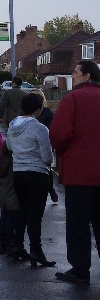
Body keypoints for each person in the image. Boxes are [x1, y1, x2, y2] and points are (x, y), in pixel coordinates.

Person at [50, 60, 100, 285]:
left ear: (87, 76)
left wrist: (61, 153)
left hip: (80, 173)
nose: (73, 76)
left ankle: (80, 270)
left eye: (76, 73)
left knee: (78, 224)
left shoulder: (73, 99)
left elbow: (59, 133)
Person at [7, 92, 56, 267]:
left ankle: (16, 246)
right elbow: (47, 157)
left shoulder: (13, 125)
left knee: (21, 211)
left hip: (18, 173)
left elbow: (9, 146)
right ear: (39, 108)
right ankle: (36, 250)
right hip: (37, 174)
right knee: (35, 214)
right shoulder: (40, 128)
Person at [29, 88, 59, 204]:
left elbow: (52, 128)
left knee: (47, 170)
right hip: (30, 145)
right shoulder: (26, 112)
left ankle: (51, 190)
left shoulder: (47, 112)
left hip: (44, 143)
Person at [0, 145, 26, 257]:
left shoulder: (1, 162)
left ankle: (2, 243)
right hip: (13, 196)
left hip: (3, 197)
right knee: (11, 222)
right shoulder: (13, 163)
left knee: (4, 219)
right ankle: (9, 245)